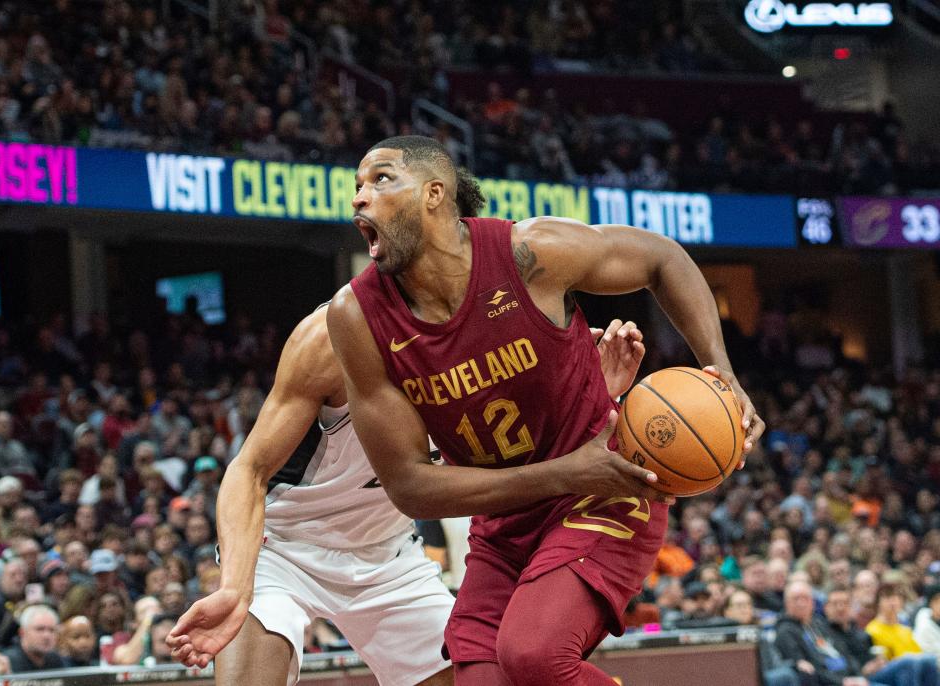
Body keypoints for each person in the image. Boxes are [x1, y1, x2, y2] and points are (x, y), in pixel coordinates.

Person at [325, 135, 763, 685]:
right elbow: (410, 488)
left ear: (435, 193)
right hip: (510, 517)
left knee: (533, 655)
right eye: (357, 186)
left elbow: (662, 258)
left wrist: (721, 372)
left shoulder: (530, 252)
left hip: (607, 487)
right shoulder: (356, 317)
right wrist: (561, 471)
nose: (360, 198)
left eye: (381, 179)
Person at [167, 227, 651, 684]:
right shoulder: (332, 337)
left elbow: (533, 445)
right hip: (284, 548)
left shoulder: (499, 341)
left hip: (389, 555)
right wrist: (233, 584)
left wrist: (594, 398)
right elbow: (247, 470)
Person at [824, 587, 939, 686]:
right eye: (888, 599)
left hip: (888, 667)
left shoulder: (858, 632)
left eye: (845, 603)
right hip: (868, 674)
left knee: (928, 661)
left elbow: (917, 654)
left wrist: (876, 662)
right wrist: (865, 669)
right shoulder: (827, 634)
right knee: (908, 664)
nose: (841, 608)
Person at [2, 605, 66, 673]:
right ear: (22, 632)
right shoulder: (7, 661)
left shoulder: (55, 659)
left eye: (52, 630)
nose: (47, 636)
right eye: (40, 629)